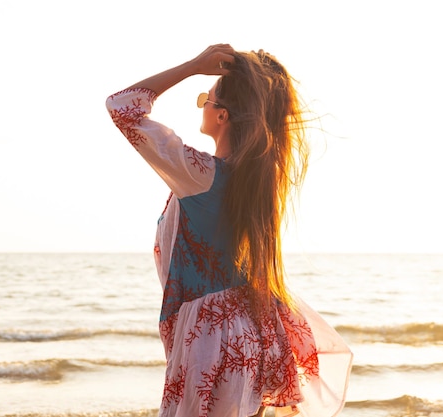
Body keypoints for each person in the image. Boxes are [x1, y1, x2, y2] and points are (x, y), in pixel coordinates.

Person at [106, 44, 352, 417]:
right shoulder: (259, 179)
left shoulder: (202, 174)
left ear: (222, 116)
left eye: (206, 98)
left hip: (212, 337)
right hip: (249, 330)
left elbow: (122, 107)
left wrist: (192, 67)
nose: (201, 104)